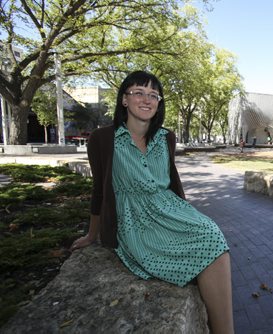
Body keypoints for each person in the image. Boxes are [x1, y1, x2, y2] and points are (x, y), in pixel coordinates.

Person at [70, 71, 234, 334]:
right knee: (210, 241)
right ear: (124, 99)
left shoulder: (166, 137)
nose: (146, 99)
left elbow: (171, 184)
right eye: (138, 92)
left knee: (212, 233)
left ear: (159, 102)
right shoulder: (103, 139)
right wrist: (92, 234)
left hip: (169, 208)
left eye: (153, 95)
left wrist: (186, 214)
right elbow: (99, 189)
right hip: (135, 219)